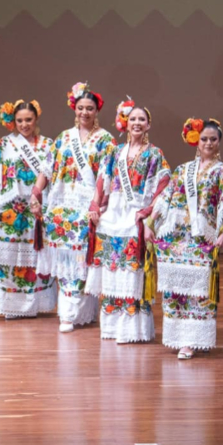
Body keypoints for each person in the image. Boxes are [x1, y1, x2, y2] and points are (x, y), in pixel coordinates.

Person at [148, 118, 223, 358]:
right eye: (204, 139)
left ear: (219, 142)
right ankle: (179, 339)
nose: (208, 143)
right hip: (177, 239)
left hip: (203, 239)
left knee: (198, 290)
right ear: (195, 141)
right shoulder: (182, 170)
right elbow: (166, 197)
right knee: (176, 289)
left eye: (213, 139)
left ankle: (196, 339)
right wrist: (150, 223)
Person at [33, 83, 115, 333]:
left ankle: (80, 312)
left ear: (97, 110)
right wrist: (36, 193)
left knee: (83, 259)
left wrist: (97, 204)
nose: (84, 113)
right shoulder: (63, 137)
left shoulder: (106, 140)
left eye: (89, 108)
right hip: (60, 206)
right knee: (66, 259)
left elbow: (106, 175)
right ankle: (69, 313)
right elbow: (47, 168)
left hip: (87, 207)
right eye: (81, 108)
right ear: (74, 109)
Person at [87, 98, 170, 343]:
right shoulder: (115, 152)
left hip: (135, 216)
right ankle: (112, 326)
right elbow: (102, 179)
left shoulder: (155, 154)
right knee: (112, 270)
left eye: (141, 119)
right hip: (113, 215)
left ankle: (133, 329)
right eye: (132, 118)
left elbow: (164, 185)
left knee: (132, 272)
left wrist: (148, 214)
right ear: (125, 122)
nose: (136, 123)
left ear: (148, 125)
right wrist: (95, 205)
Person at [0, 100, 55, 319]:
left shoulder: (48, 145)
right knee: (11, 259)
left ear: (36, 119)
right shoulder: (4, 144)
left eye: (28, 120)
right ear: (13, 121)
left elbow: (53, 173)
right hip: (10, 211)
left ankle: (36, 304)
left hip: (36, 209)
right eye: (20, 120)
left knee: (36, 256)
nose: (24, 124)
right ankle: (12, 306)